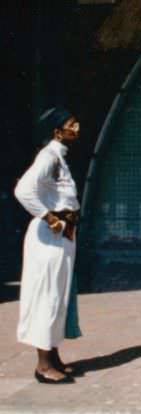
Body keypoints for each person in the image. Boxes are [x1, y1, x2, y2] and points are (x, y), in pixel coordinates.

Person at [13, 106, 81, 383]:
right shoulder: (48, 156)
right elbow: (23, 190)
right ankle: (43, 364)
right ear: (57, 131)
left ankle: (53, 355)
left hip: (63, 235)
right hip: (50, 237)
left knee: (58, 295)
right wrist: (49, 217)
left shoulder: (59, 158)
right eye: (71, 124)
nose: (76, 128)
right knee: (47, 295)